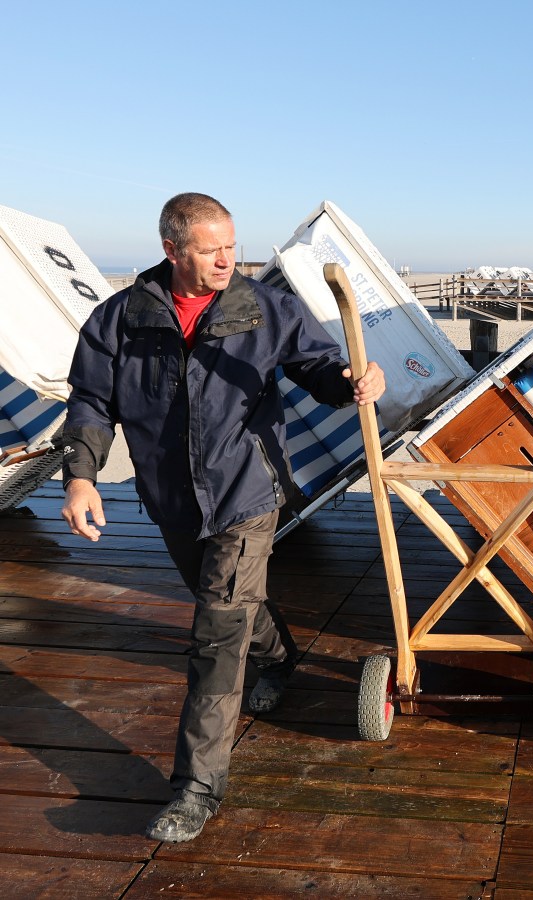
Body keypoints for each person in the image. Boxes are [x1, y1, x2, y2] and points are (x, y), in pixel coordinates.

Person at [60, 192, 386, 843]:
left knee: (214, 635)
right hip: (171, 498)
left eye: (231, 247)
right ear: (172, 250)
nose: (226, 260)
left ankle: (195, 788)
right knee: (228, 609)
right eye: (211, 250)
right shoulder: (119, 320)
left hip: (245, 493)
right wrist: (80, 477)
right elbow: (92, 401)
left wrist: (352, 379)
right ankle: (280, 657)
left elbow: (317, 364)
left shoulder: (263, 308)